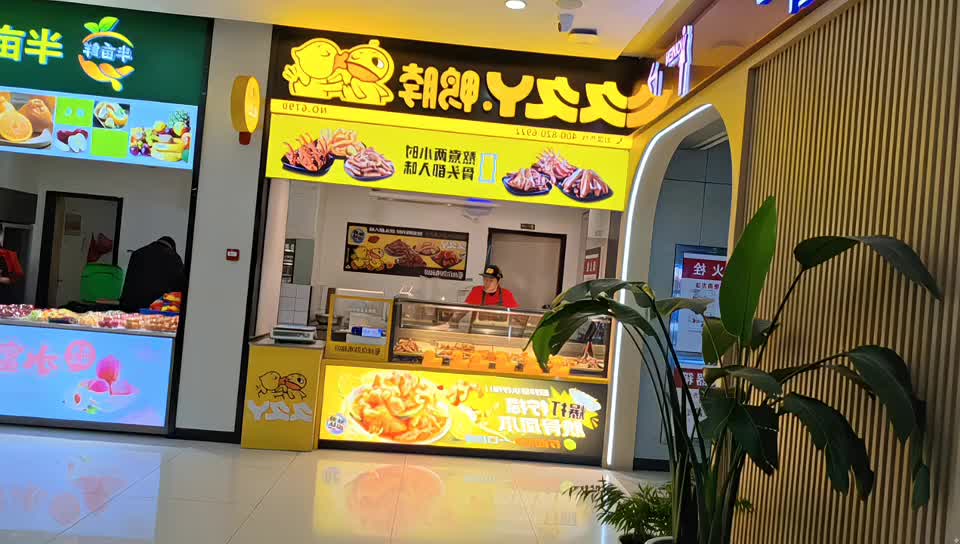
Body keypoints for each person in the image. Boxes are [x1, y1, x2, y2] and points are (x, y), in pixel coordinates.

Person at [119, 236, 186, 312]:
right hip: (156, 310)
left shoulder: (138, 253)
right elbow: (179, 289)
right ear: (172, 248)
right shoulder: (174, 257)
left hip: (130, 307)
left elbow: (129, 283)